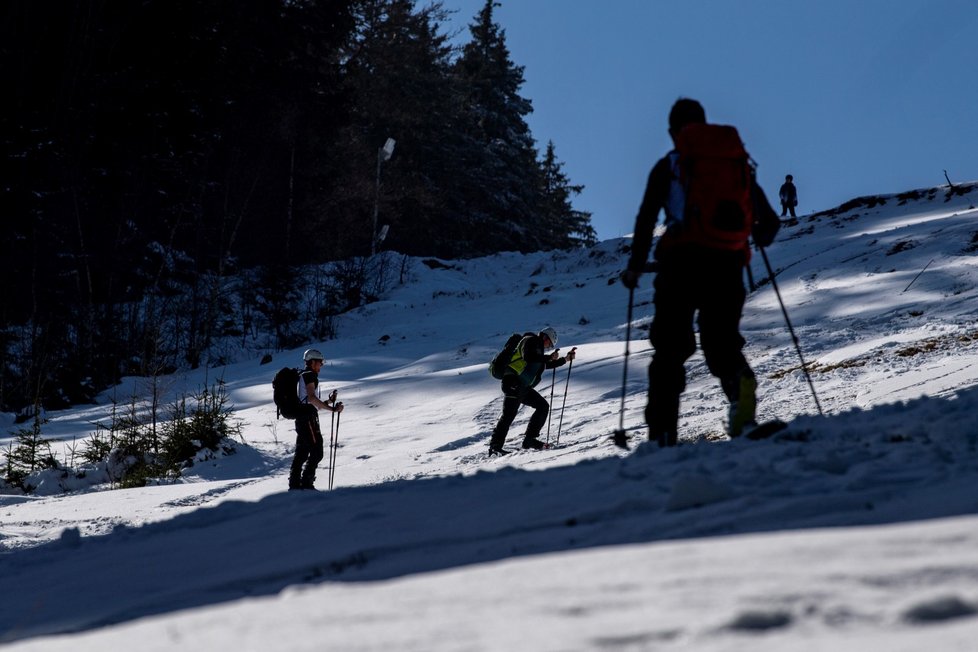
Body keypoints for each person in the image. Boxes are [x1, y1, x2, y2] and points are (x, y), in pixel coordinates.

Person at [620, 98, 780, 446]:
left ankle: (662, 434)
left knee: (670, 349)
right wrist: (756, 237)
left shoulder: (671, 165)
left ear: (673, 131)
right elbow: (768, 221)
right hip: (728, 265)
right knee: (721, 342)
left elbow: (646, 218)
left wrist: (635, 267)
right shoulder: (735, 162)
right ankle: (741, 395)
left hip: (682, 264)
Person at [488, 327, 576, 455]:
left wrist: (565, 359)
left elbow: (544, 364)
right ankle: (495, 447)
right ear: (545, 337)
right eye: (549, 343)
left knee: (542, 406)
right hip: (513, 382)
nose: (548, 347)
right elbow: (529, 357)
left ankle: (530, 440)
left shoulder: (538, 349)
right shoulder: (531, 340)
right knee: (508, 415)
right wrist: (548, 357)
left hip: (521, 386)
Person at [289, 348, 344, 490]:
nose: (321, 365)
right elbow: (312, 399)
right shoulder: (309, 375)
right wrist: (332, 409)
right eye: (320, 362)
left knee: (301, 452)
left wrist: (329, 402)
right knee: (317, 451)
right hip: (308, 419)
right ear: (312, 362)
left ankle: (294, 485)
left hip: (301, 418)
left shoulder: (302, 375)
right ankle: (307, 484)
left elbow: (309, 401)